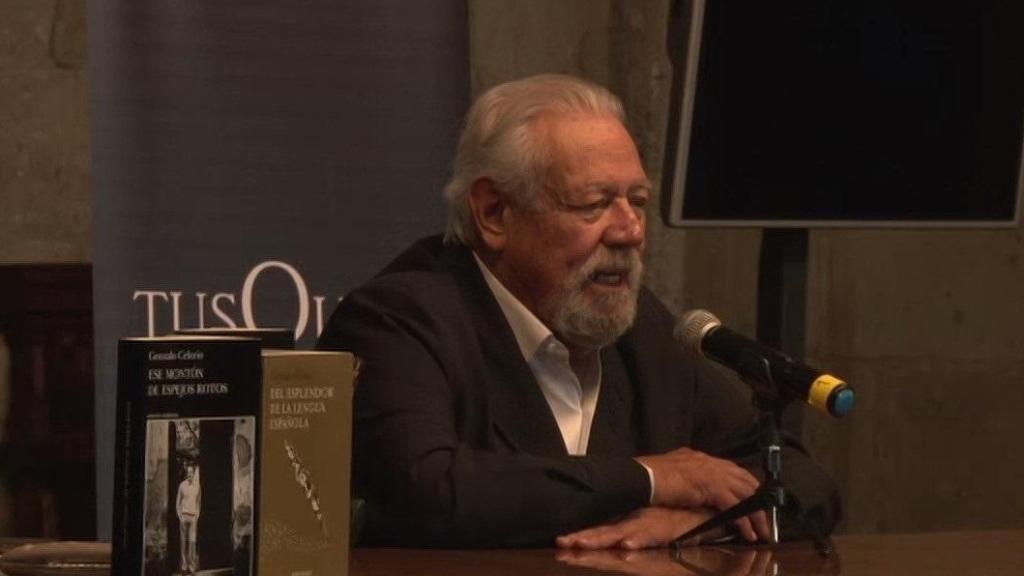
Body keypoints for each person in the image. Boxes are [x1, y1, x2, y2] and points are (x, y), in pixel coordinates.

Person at [317, 74, 840, 548]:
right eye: (593, 204)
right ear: (494, 212)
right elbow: (431, 489)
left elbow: (800, 477)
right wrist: (652, 479)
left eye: (636, 201)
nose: (629, 231)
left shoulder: (644, 330)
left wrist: (705, 522)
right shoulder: (396, 319)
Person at [176, 459, 201, 574]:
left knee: (192, 542)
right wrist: (179, 515)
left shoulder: (197, 486)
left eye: (192, 472)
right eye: (188, 473)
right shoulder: (182, 485)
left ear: (193, 473)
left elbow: (199, 502)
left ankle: (191, 566)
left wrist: (197, 515)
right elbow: (177, 502)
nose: (190, 474)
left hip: (193, 517)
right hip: (184, 516)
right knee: (183, 542)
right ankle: (184, 566)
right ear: (187, 473)